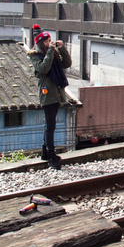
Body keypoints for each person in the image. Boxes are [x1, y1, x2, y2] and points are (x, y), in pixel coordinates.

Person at [27, 24, 72, 170]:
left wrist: (61, 48)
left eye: (49, 41)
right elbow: (43, 68)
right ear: (40, 43)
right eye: (46, 42)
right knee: (50, 126)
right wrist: (51, 50)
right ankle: (51, 156)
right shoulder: (35, 56)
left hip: (56, 93)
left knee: (49, 125)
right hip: (47, 94)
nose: (48, 43)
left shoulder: (52, 54)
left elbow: (67, 63)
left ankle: (45, 153)